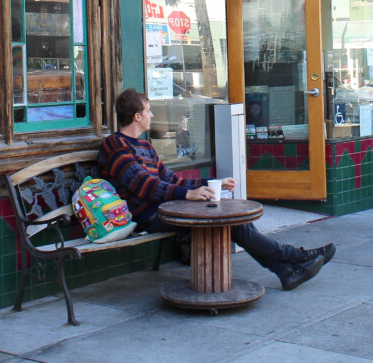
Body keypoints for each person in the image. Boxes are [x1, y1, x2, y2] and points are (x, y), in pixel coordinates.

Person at [99, 88, 335, 290]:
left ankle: (287, 269)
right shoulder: (116, 146)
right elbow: (144, 185)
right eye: (149, 111)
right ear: (137, 116)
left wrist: (211, 183)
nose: (152, 115)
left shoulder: (145, 146)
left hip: (167, 207)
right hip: (148, 216)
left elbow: (171, 180)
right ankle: (294, 258)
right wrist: (188, 194)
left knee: (232, 218)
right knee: (227, 219)